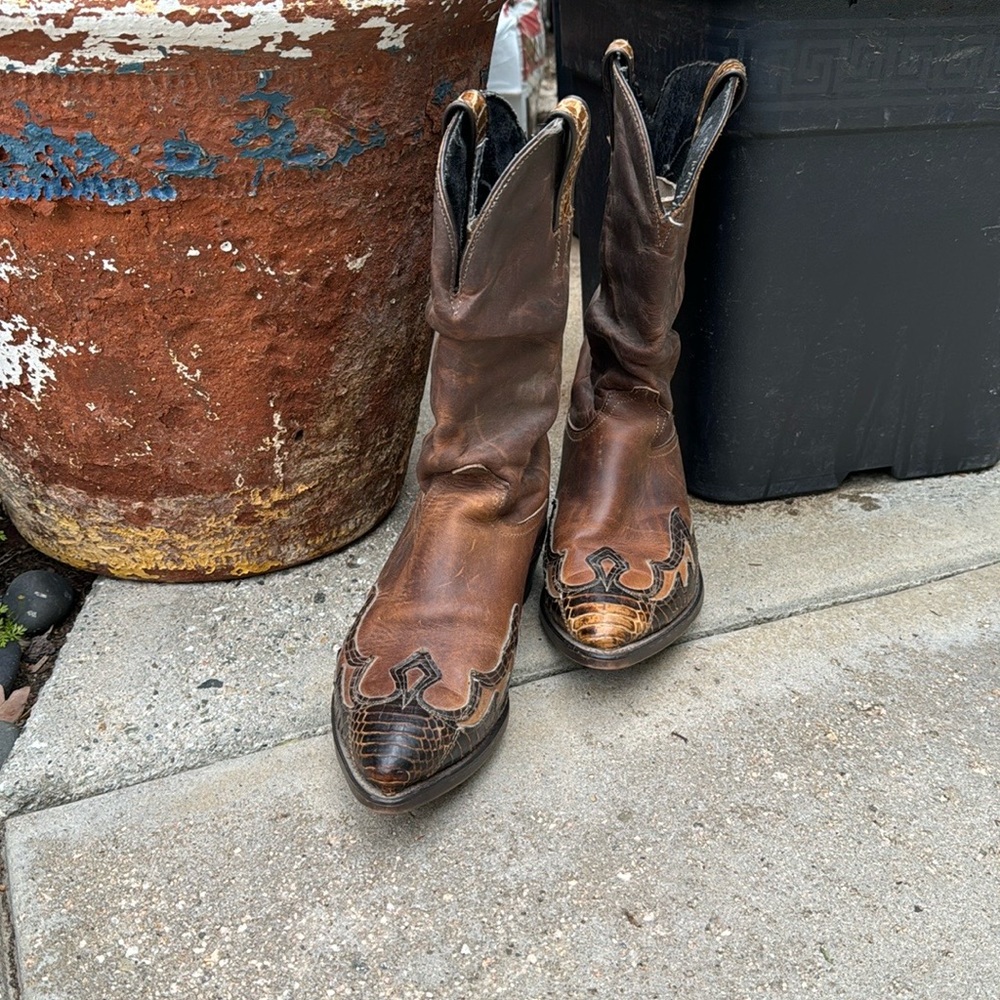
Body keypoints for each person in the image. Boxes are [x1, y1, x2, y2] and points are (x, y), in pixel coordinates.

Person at [330, 41, 746, 813]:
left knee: (634, 355)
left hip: (630, 427)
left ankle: (617, 420)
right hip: (467, 488)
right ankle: (482, 499)